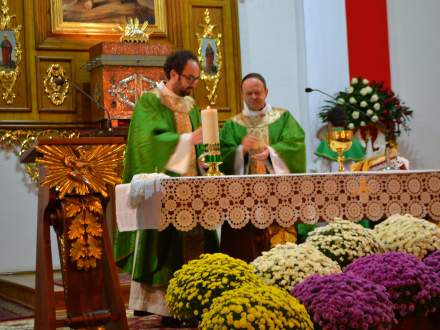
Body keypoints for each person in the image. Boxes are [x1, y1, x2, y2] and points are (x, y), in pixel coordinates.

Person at [113, 50, 218, 320]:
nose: (194, 84)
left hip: (193, 188)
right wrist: (187, 141)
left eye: (196, 78)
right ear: (173, 73)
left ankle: (199, 297)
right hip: (164, 188)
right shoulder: (150, 102)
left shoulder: (191, 106)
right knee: (161, 243)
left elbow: (199, 145)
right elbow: (147, 142)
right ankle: (160, 305)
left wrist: (204, 158)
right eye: (190, 78)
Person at [219, 72, 306, 262]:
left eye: (257, 92)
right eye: (248, 93)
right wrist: (240, 150)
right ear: (242, 94)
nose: (253, 97)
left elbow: (296, 144)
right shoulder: (233, 125)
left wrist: (271, 152)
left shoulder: (282, 118)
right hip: (243, 197)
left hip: (278, 193)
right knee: (244, 246)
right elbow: (222, 154)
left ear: (266, 92)